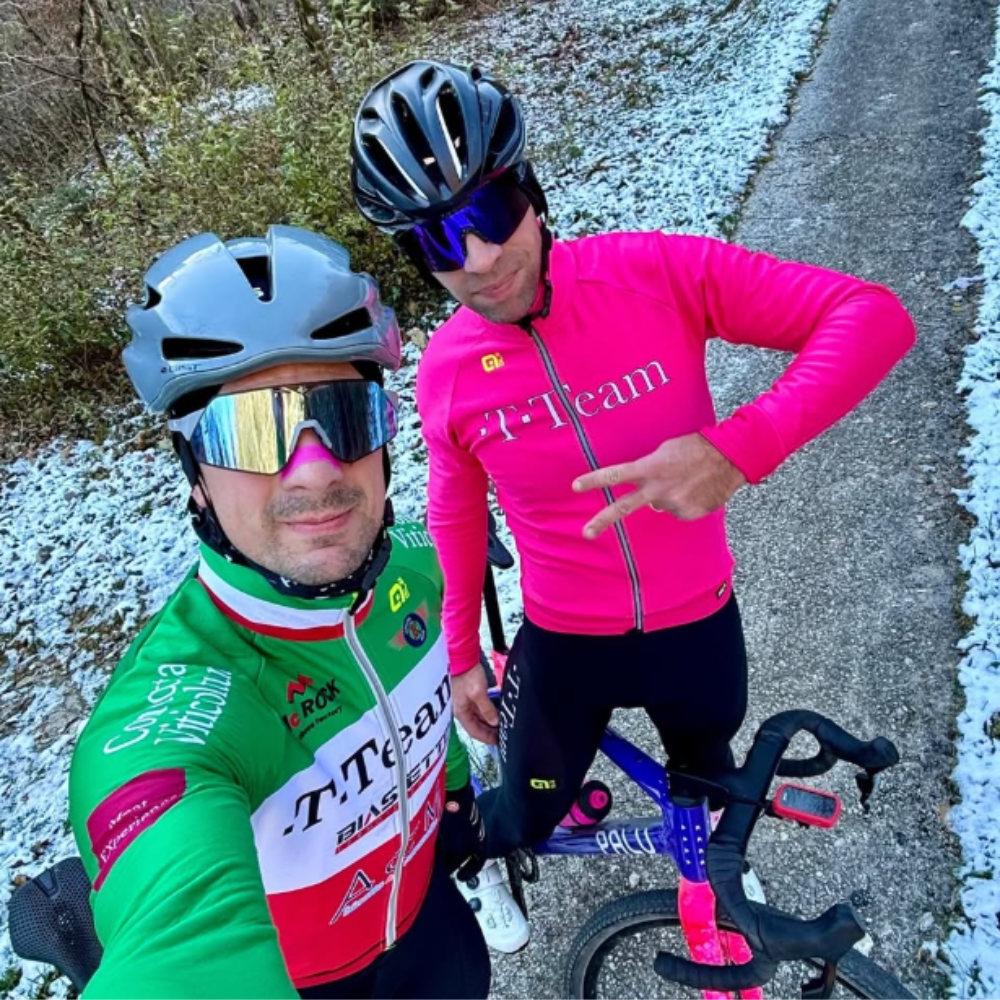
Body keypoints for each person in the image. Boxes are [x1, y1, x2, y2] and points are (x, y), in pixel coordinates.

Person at [350, 60, 916, 948]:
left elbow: (873, 316)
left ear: (532, 193)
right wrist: (460, 659)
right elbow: (457, 514)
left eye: (490, 213)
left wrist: (737, 450)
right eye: (438, 243)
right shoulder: (449, 371)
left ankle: (710, 864)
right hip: (566, 645)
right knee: (522, 815)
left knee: (706, 775)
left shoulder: (652, 272)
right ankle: (482, 862)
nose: (480, 260)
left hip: (699, 627)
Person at [67, 226, 491, 999]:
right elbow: (181, 934)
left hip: (436, 934)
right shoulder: (170, 722)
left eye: (348, 417)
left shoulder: (417, 563)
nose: (316, 470)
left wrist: (454, 788)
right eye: (252, 432)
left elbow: (427, 700)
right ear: (196, 477)